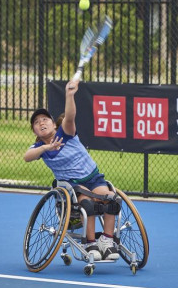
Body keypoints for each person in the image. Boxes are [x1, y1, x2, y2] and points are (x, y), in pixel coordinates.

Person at [24, 79, 119, 261]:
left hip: (93, 178)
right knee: (89, 205)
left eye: (45, 119)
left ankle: (107, 241)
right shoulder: (38, 148)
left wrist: (69, 95)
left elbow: (70, 116)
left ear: (54, 124)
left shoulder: (65, 132)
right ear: (34, 131)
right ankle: (91, 243)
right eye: (36, 122)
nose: (41, 123)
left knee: (111, 200)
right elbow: (27, 157)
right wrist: (45, 148)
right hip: (75, 187)